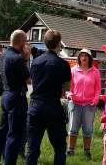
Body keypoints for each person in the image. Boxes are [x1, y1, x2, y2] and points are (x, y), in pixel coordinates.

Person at [26, 30, 72, 165]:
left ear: (45, 43)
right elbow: (67, 88)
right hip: (53, 107)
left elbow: (33, 81)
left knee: (32, 148)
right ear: (58, 44)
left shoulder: (36, 62)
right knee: (59, 147)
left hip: (35, 107)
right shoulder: (63, 64)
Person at [0, 30, 31, 165]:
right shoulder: (18, 59)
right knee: (15, 134)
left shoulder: (4, 55)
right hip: (17, 98)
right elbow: (28, 79)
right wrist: (26, 58)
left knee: (1, 131)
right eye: (26, 41)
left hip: (6, 95)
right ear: (22, 42)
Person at [65, 48, 101, 159]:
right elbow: (68, 87)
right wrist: (69, 94)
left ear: (90, 58)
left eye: (86, 55)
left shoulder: (95, 71)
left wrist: (95, 100)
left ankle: (87, 151)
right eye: (82, 55)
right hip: (75, 104)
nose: (84, 57)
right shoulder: (73, 70)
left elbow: (98, 89)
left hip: (89, 105)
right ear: (79, 57)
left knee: (88, 130)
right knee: (72, 128)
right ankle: (70, 150)